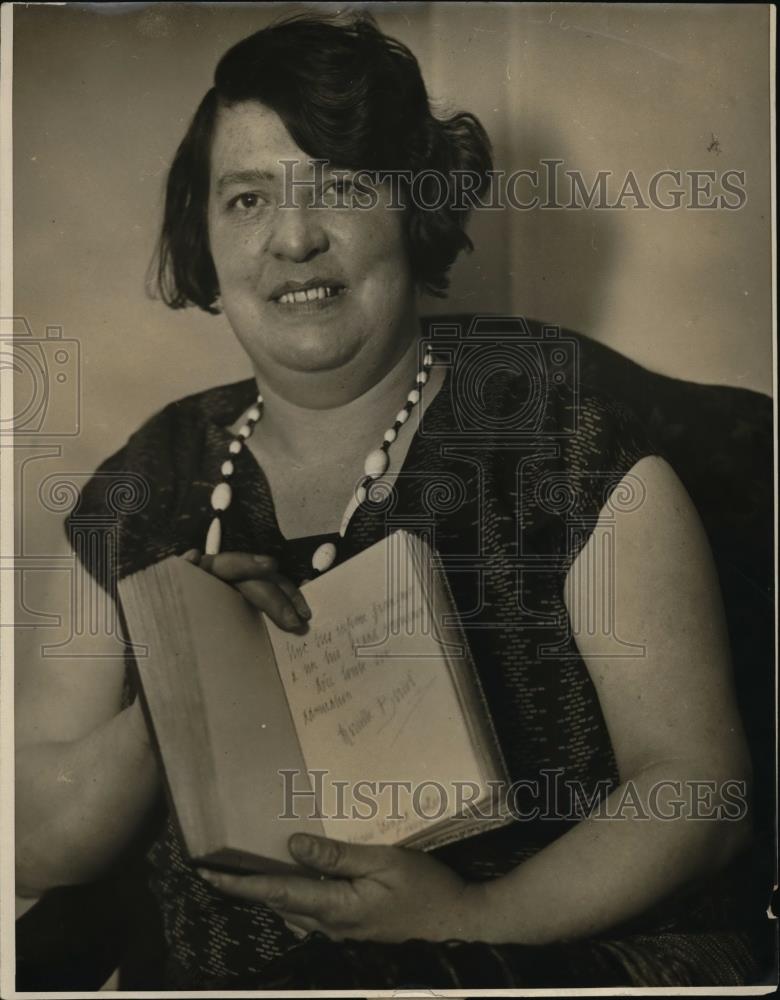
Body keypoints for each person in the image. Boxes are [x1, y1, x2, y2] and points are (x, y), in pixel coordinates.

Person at [16, 12, 762, 989]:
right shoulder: (144, 483)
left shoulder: (570, 452)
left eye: (341, 185)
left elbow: (701, 795)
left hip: (525, 964)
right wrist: (174, 698)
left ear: (414, 209)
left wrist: (473, 914)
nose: (292, 238)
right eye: (246, 199)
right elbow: (34, 844)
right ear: (202, 232)